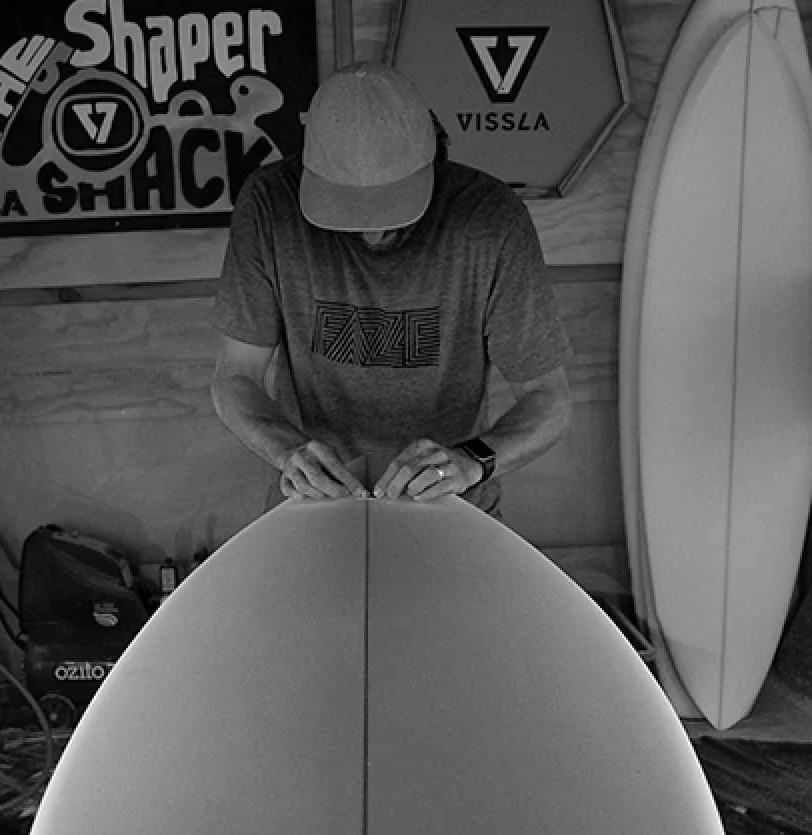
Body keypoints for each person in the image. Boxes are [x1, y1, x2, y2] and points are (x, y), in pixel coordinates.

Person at [210, 62, 572, 515]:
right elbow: (235, 377)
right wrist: (288, 452)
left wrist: (470, 461)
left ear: (434, 163)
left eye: (396, 208)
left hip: (449, 506)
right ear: (308, 174)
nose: (371, 234)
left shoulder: (489, 221)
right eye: (343, 210)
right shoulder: (270, 207)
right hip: (315, 506)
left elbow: (548, 398)